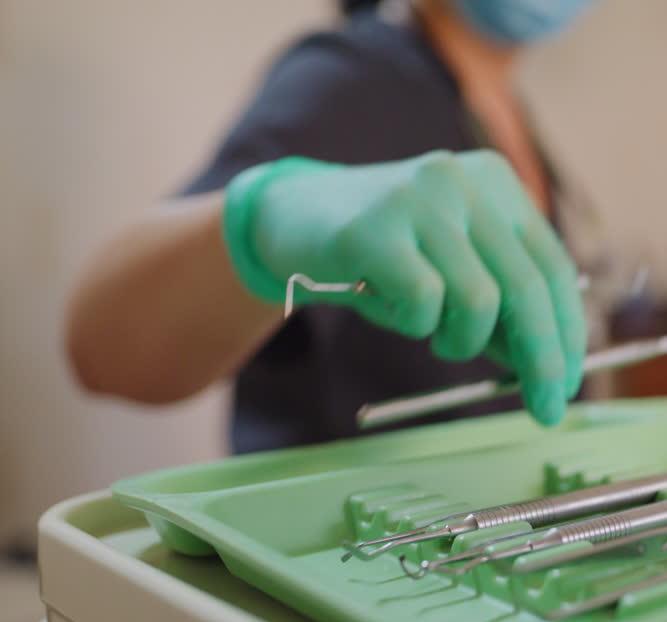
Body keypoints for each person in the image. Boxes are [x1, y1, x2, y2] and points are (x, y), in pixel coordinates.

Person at [65, 0, 597, 453]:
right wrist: (267, 224)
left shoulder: (505, 112)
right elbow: (103, 349)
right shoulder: (352, 78)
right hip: (346, 533)